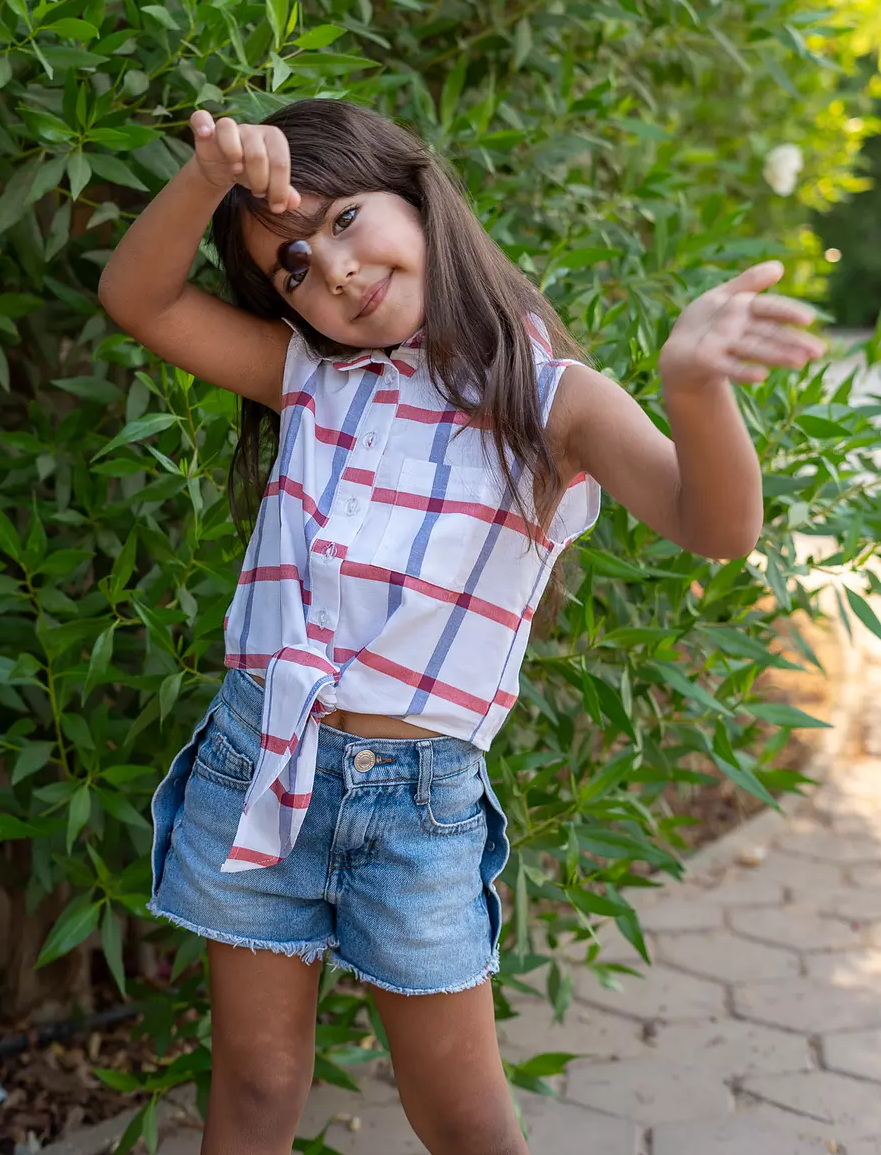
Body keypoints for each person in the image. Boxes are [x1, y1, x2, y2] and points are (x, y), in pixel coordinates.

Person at [97, 97, 824, 1155]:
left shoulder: (548, 399)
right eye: (291, 267)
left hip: (417, 810)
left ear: (417, 193)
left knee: (467, 1122)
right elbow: (138, 297)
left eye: (344, 220)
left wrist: (690, 390)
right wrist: (209, 176)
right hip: (257, 762)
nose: (331, 270)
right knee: (253, 1084)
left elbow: (712, 527)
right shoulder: (310, 377)